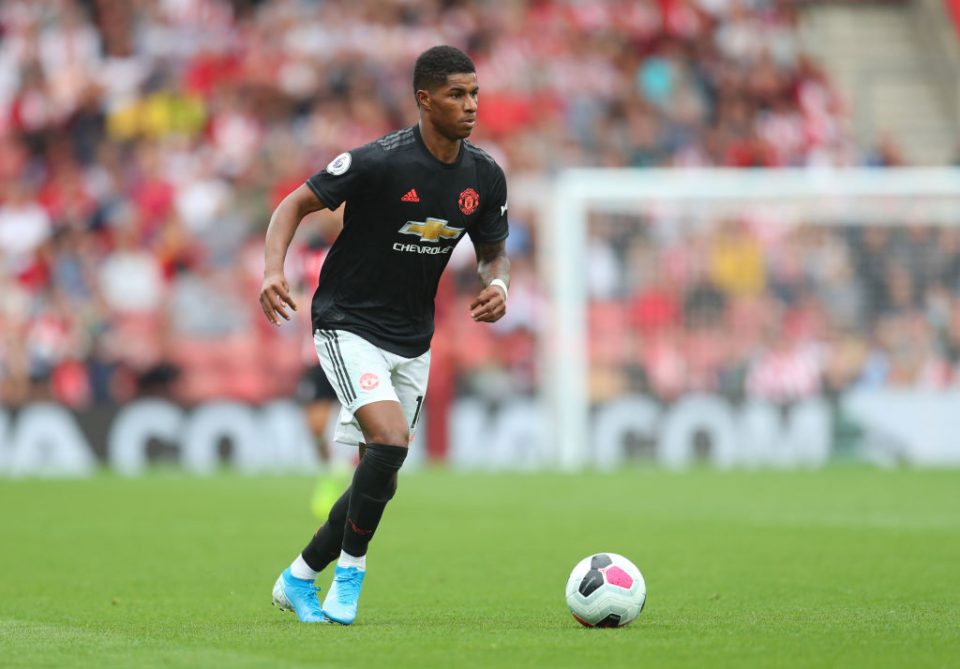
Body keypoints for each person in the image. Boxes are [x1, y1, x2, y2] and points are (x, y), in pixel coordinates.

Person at [259, 45, 510, 625]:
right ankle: (350, 574)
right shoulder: (378, 161)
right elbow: (292, 205)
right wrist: (273, 270)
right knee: (391, 441)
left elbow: (493, 251)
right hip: (347, 320)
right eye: (456, 94)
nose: (471, 105)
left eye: (474, 93)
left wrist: (499, 284)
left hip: (413, 337)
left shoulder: (485, 176)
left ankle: (299, 576)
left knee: (382, 475)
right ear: (424, 99)